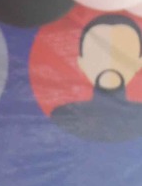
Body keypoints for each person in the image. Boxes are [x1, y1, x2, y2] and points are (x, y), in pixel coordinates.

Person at [49, 13, 142, 143]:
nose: (110, 62)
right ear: (81, 62)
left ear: (139, 62)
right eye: (98, 54)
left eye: (123, 55)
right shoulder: (64, 116)